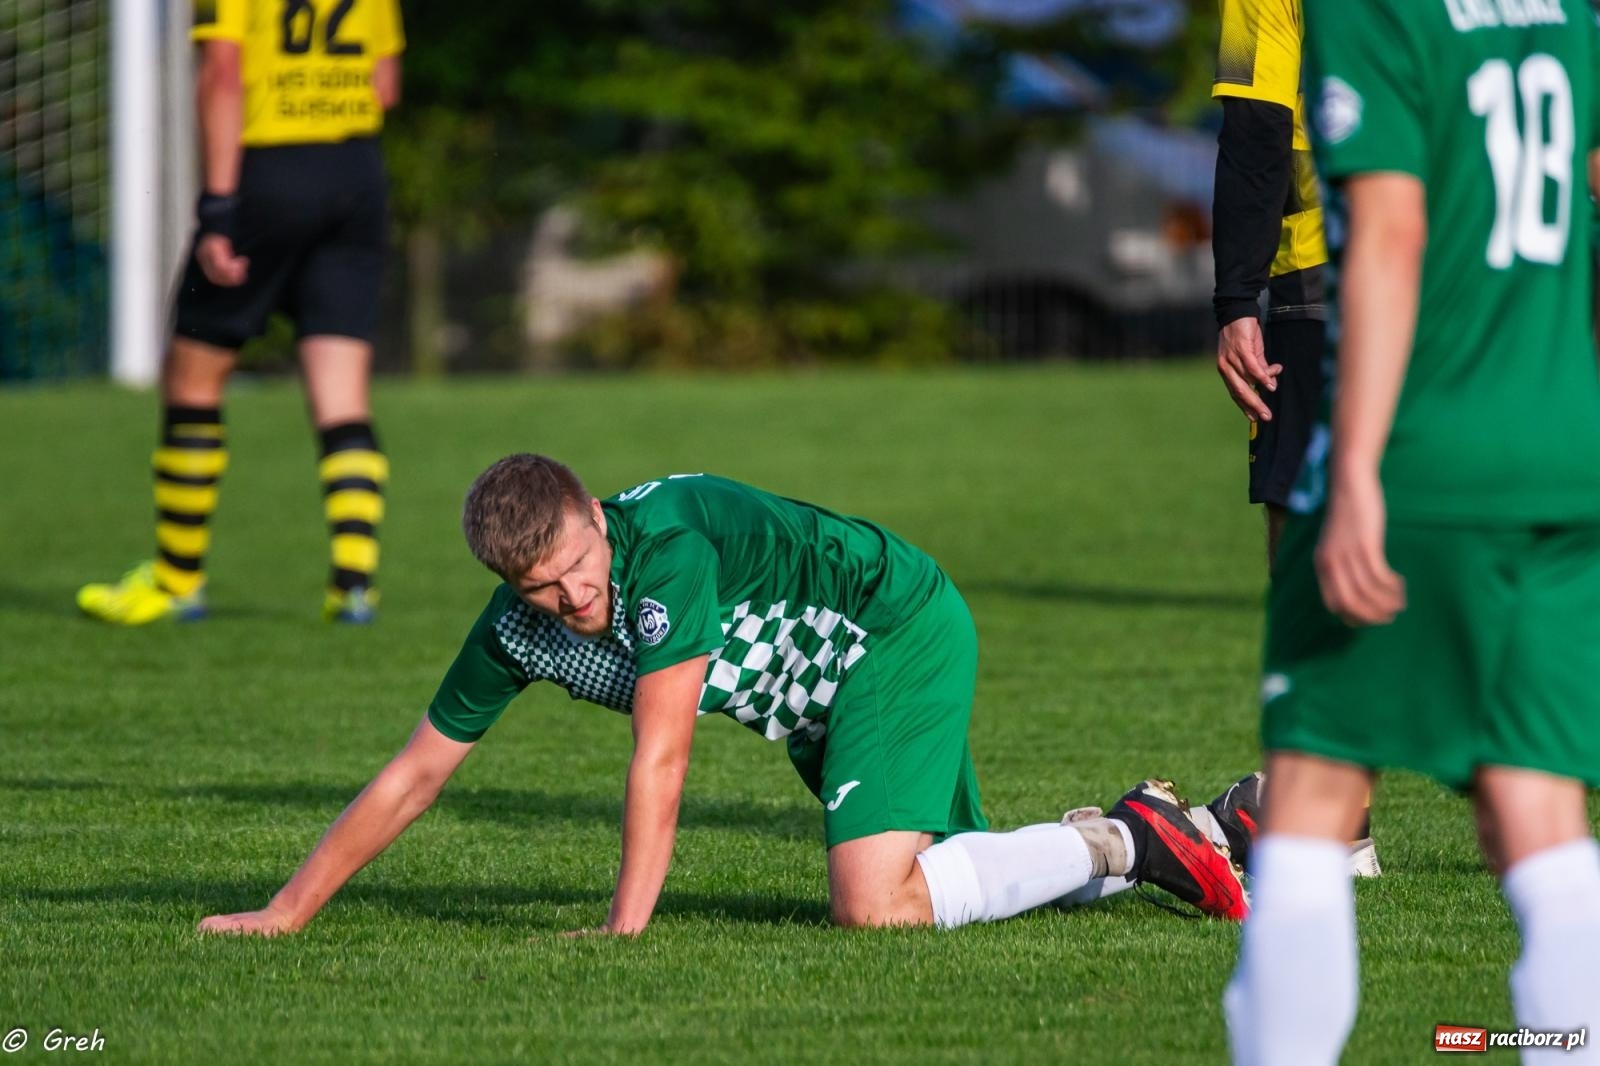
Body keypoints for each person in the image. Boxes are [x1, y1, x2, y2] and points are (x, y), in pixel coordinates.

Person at [198, 457, 1259, 936]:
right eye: (543, 589)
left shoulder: (663, 554)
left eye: (580, 567)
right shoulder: (515, 628)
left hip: (888, 631)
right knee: (950, 887)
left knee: (874, 907)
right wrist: (286, 912)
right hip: (822, 695)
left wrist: (623, 929)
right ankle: (1208, 829)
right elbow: (413, 776)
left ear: (595, 517)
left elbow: (662, 756)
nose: (576, 599)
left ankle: (1128, 838)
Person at [1224, 2, 1600, 1062]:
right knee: (1537, 802)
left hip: (1426, 448)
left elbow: (1389, 232)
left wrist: (1353, 469)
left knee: (1313, 791)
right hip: (1557, 451)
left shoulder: (1369, 10)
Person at [77, 0, 405, 626]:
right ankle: (354, 586)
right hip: (357, 174)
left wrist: (219, 209)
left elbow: (223, 72)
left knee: (192, 377)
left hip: (268, 169)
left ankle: (177, 581)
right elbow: (384, 86)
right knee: (342, 390)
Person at [1211, 0, 1380, 879]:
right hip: (1479, 279)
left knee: (1308, 536)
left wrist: (1234, 299)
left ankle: (1333, 825)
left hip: (1324, 277)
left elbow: (1257, 127)